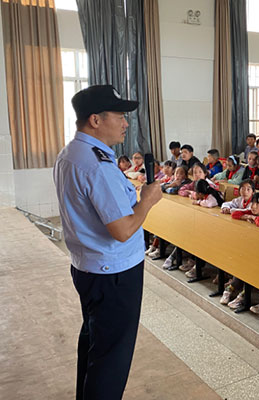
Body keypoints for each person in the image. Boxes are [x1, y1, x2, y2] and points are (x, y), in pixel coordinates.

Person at [54, 85, 163, 399]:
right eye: (120, 116)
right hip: (113, 274)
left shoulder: (72, 153)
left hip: (89, 268)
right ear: (95, 120)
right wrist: (147, 200)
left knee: (95, 346)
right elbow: (123, 229)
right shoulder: (96, 166)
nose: (126, 123)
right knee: (111, 360)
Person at [225, 193, 259, 309]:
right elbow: (235, 214)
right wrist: (247, 216)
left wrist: (253, 218)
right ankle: (232, 288)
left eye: (257, 204)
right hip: (254, 247)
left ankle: (243, 294)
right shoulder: (251, 212)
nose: (253, 206)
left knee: (249, 266)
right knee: (241, 261)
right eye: (252, 203)